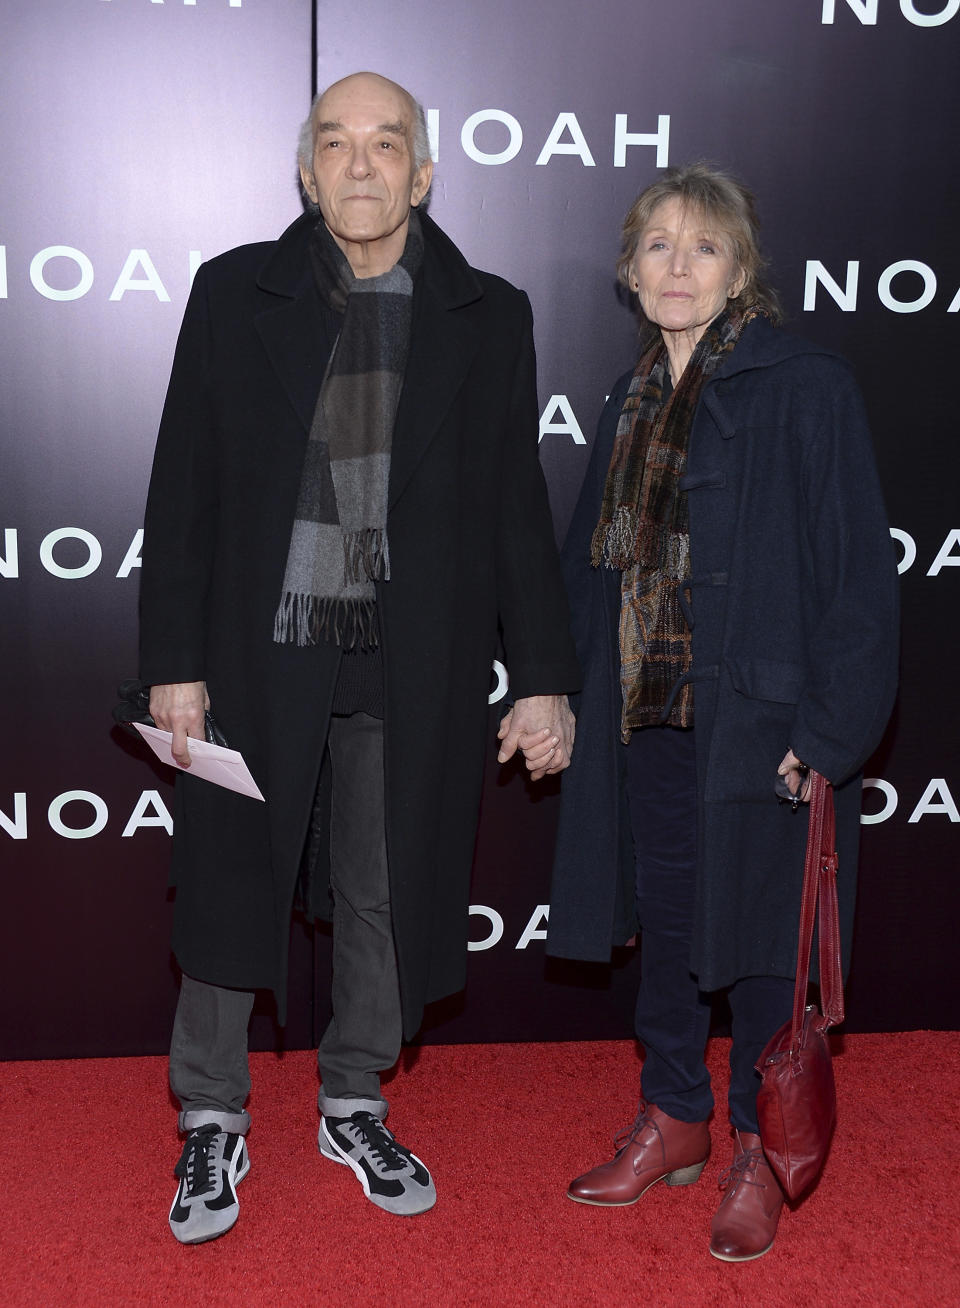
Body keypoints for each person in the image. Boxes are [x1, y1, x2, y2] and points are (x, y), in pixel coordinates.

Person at [141, 71, 578, 1243]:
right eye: (336, 142)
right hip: (253, 651)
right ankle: (211, 1119)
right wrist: (172, 658)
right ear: (307, 169)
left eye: (388, 144)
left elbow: (510, 511)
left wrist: (542, 672)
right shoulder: (236, 293)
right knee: (233, 874)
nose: (362, 163)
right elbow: (182, 487)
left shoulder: (490, 315)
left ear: (424, 172)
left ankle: (352, 1094)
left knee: (386, 884)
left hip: (409, 653)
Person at [547, 163, 897, 1261]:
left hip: (762, 722)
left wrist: (831, 733)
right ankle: (676, 1118)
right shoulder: (629, 395)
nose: (678, 266)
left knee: (757, 951)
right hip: (646, 717)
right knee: (667, 932)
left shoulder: (805, 384)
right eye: (657, 246)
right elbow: (586, 573)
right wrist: (555, 693)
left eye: (703, 247)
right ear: (629, 269)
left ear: (740, 268)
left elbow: (854, 574)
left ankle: (754, 1141)